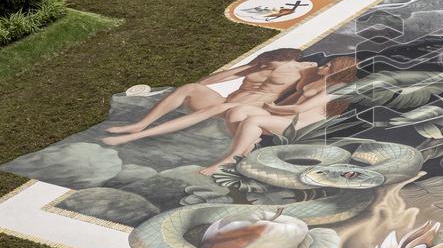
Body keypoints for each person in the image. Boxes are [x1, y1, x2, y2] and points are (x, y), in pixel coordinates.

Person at [102, 48, 318, 146]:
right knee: (190, 87)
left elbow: (305, 91)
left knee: (216, 109)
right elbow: (207, 82)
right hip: (224, 105)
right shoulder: (257, 66)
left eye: (267, 62)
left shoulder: (303, 68)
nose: (262, 66)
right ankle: (141, 125)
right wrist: (248, 67)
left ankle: (133, 137)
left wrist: (279, 108)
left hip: (245, 112)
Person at [199, 55, 359, 175]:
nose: (323, 66)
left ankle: (231, 158)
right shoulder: (322, 80)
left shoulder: (338, 87)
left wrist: (273, 108)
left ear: (338, 70)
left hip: (299, 126)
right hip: (286, 118)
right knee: (238, 111)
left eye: (328, 66)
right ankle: (247, 148)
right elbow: (297, 95)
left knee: (254, 120)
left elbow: (298, 109)